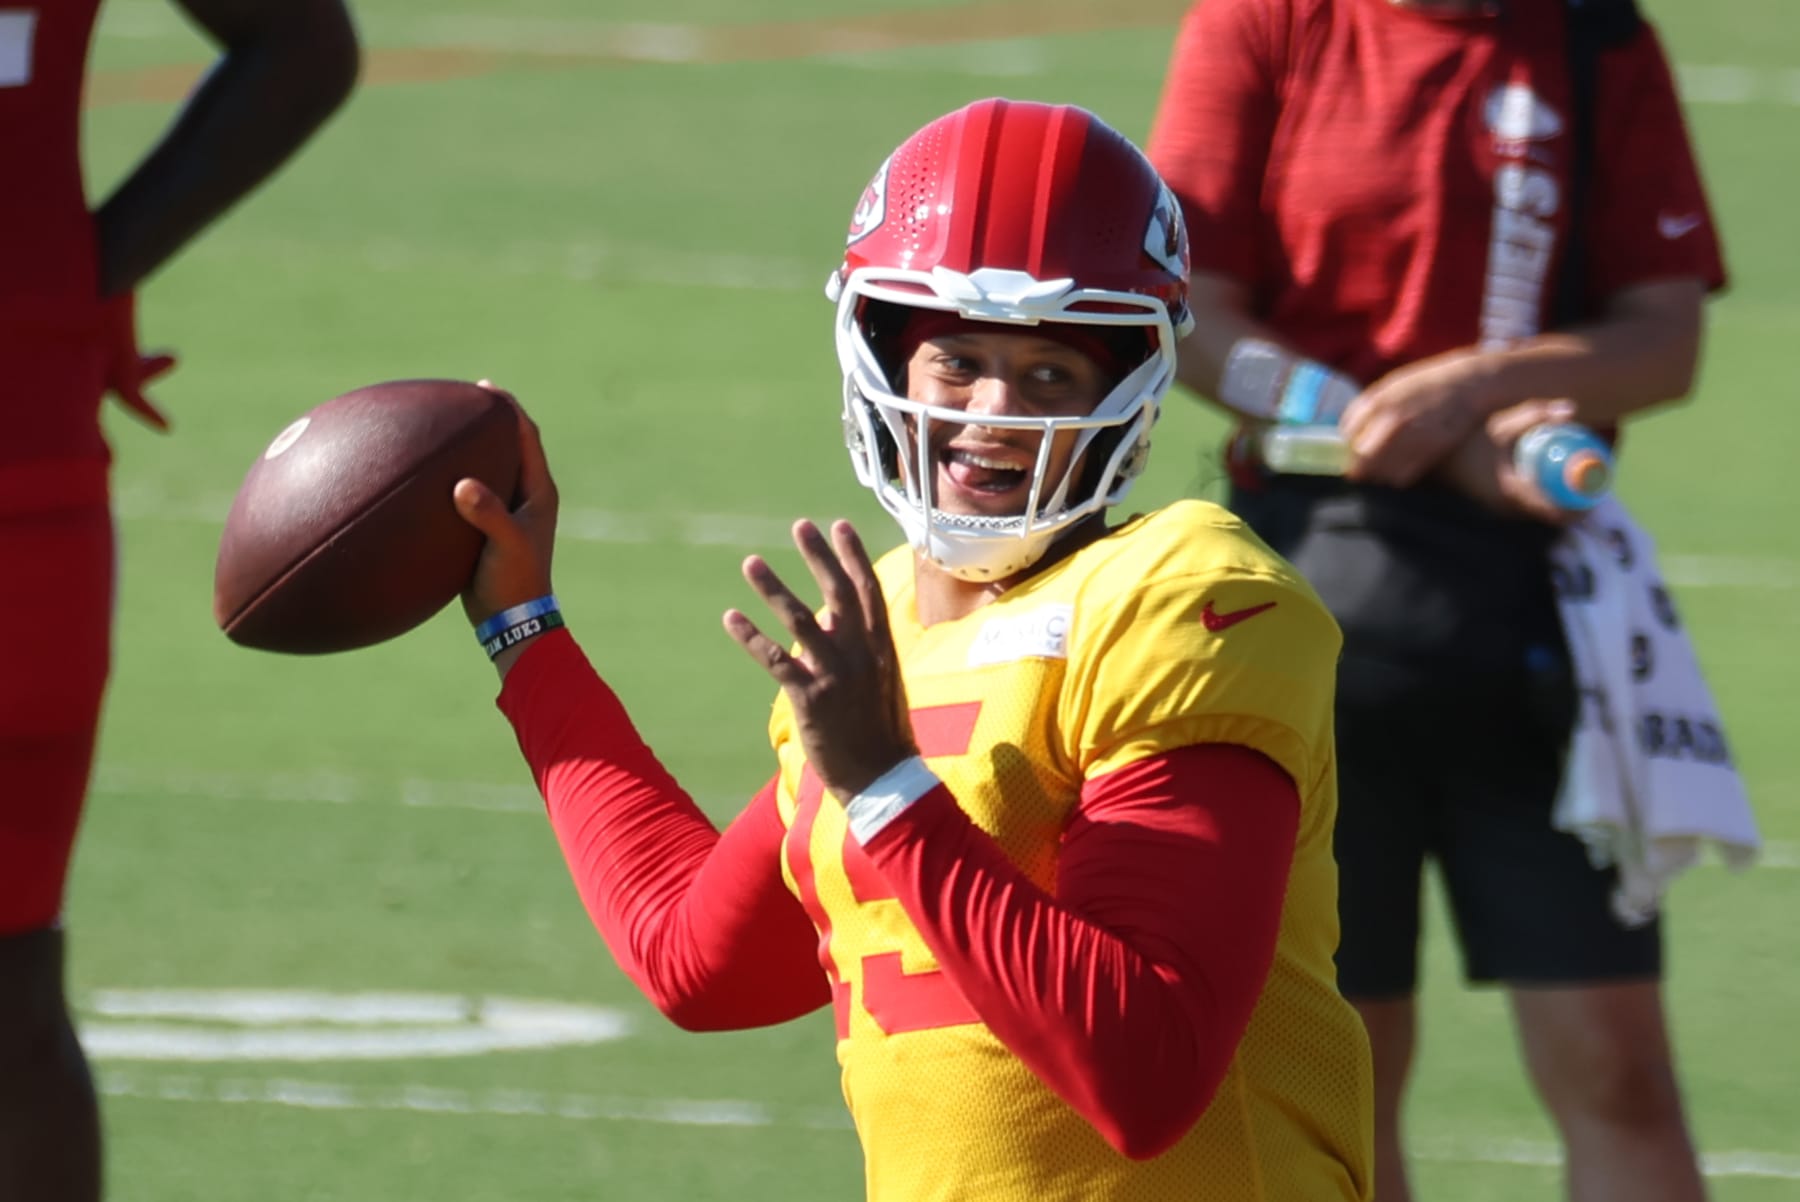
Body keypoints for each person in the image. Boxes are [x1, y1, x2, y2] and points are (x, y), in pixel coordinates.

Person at [452, 97, 1373, 1201]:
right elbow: (696, 960)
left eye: (1049, 376)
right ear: (879, 355)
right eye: (960, 363)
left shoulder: (1188, 596)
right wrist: (524, 630)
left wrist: (888, 785)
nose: (996, 412)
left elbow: (1146, 1068)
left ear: (1127, 386)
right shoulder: (874, 622)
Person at [1146, 2, 1726, 1199]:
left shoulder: (1594, 31)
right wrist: (1359, 416)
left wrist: (1483, 387)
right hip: (1306, 606)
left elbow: (1664, 337)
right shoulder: (1266, 21)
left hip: (1537, 609)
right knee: (1343, 1079)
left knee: (1620, 1069)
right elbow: (1192, 311)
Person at [0, 2, 359, 1197]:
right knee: (10, 993)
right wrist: (74, 276)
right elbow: (301, 44)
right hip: (29, 469)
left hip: (30, 469)